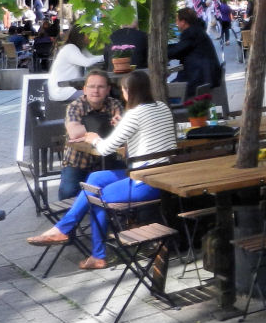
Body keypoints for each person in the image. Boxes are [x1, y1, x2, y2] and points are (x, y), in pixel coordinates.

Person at [26, 69, 177, 270]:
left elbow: (105, 148)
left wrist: (93, 137)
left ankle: (93, 252)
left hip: (145, 181)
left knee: (95, 197)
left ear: (127, 91)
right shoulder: (162, 107)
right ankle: (64, 230)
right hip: (161, 173)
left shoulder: (133, 114)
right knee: (96, 177)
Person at [59, 69, 126, 199]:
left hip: (108, 159)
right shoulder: (75, 106)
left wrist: (87, 131)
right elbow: (74, 133)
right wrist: (106, 126)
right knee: (67, 193)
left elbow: (121, 129)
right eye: (91, 86)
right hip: (78, 162)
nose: (95, 91)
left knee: (123, 185)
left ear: (108, 89)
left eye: (100, 87)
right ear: (84, 89)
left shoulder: (114, 104)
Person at [168, 6, 223, 90]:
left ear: (183, 22)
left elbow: (177, 51)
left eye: (177, 20)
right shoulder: (197, 30)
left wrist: (161, 52)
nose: (176, 23)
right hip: (207, 76)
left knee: (167, 91)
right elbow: (182, 50)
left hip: (199, 79)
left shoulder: (191, 33)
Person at [48, 25, 106, 102]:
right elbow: (86, 63)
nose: (89, 37)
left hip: (69, 87)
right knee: (97, 95)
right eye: (87, 34)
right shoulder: (70, 48)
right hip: (63, 91)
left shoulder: (80, 48)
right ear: (80, 36)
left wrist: (103, 57)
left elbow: (92, 58)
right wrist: (105, 56)